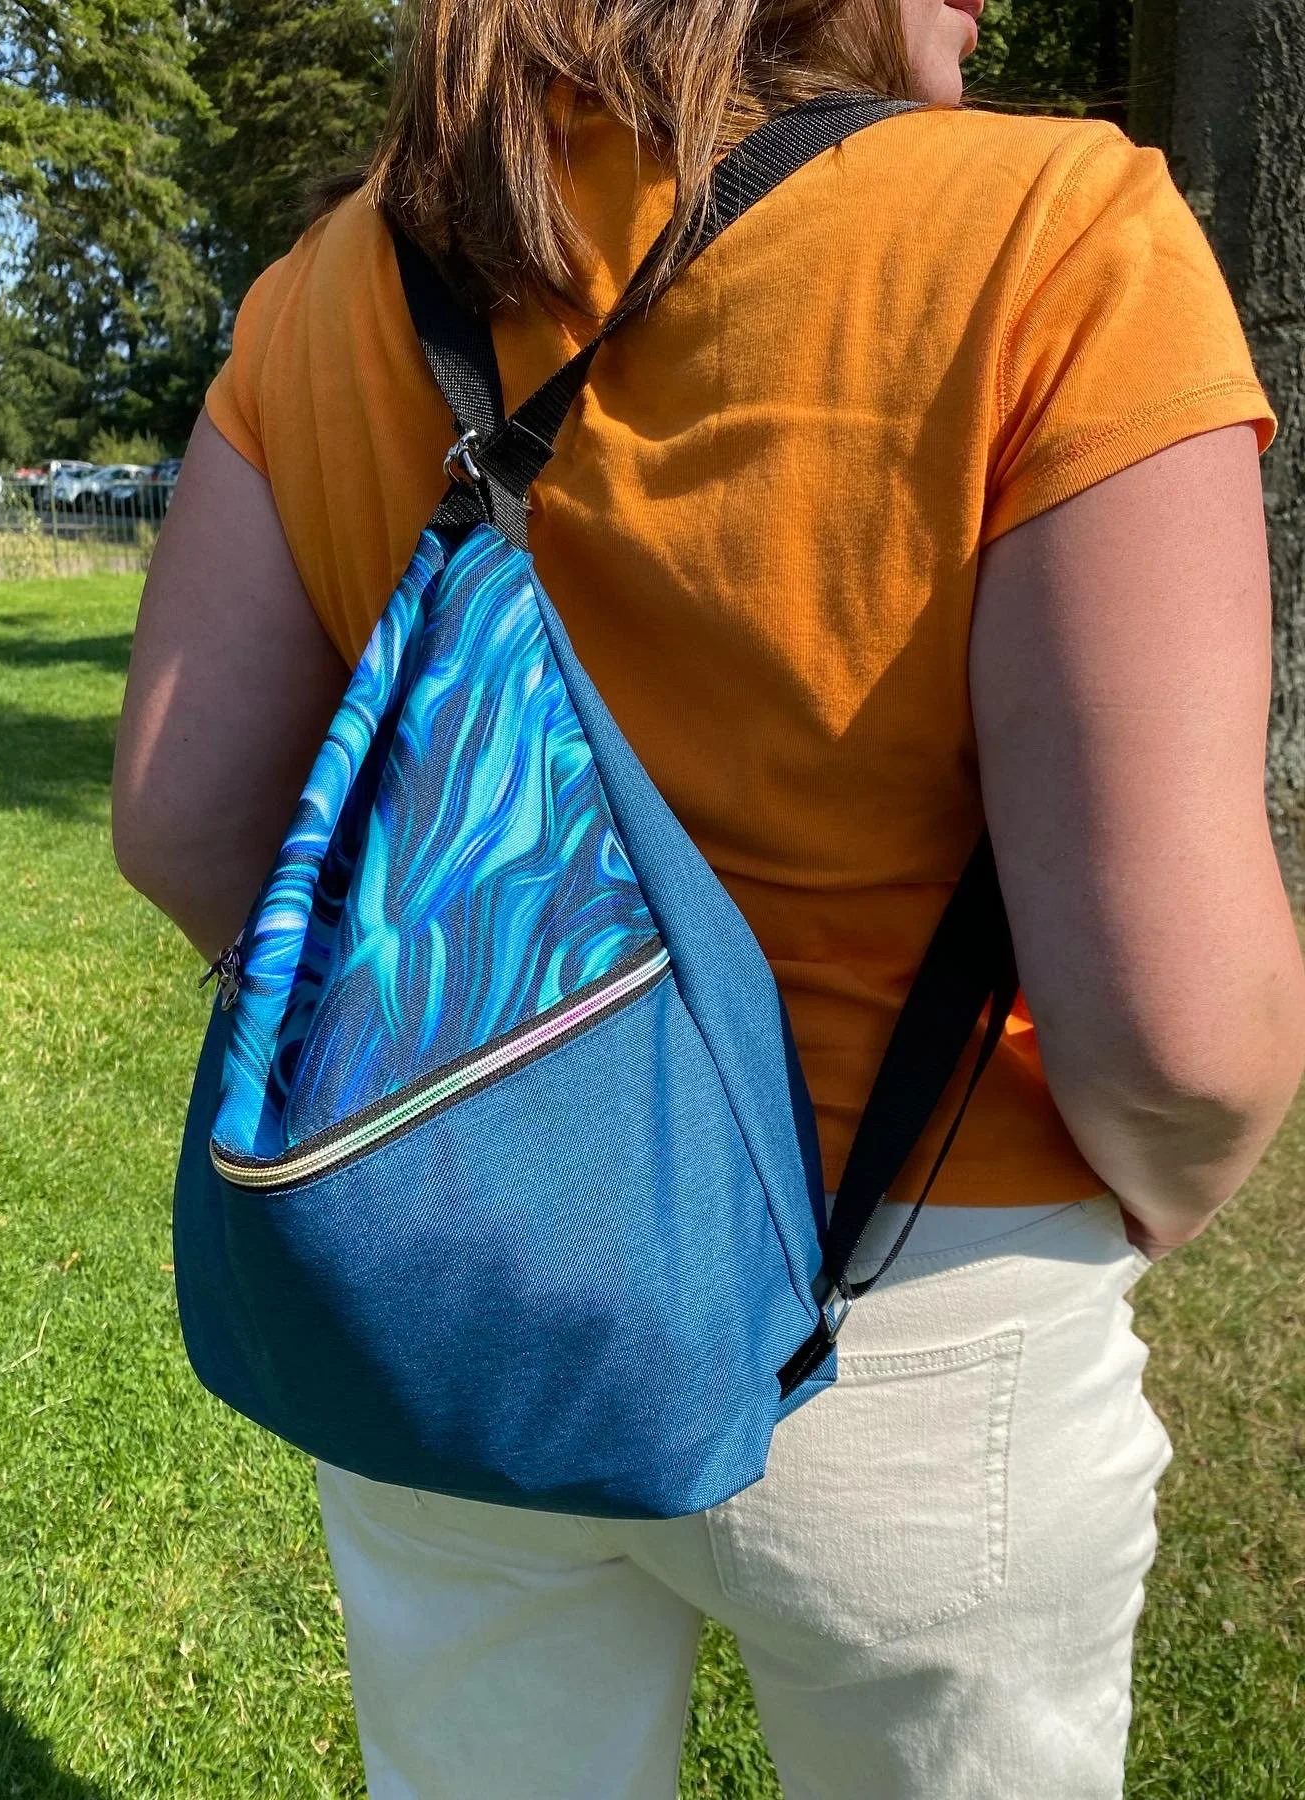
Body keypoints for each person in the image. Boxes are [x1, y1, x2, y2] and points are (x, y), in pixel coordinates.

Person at [112, 1, 1305, 1793]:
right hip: (913, 1301)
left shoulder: (328, 290)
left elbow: (182, 819)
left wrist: (465, 1083)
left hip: (458, 1274)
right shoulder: (1057, 235)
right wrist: (1158, 1193)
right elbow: (1178, 1034)